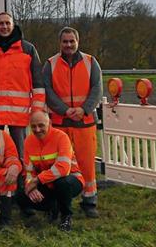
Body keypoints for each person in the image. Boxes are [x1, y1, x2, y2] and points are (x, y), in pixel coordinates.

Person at [43, 27, 102, 218]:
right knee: (58, 164)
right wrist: (64, 110)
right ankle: (57, 202)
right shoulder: (50, 64)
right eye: (65, 41)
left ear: (78, 42)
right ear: (59, 43)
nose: (68, 45)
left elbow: (97, 89)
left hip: (84, 123)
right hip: (60, 123)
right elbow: (47, 91)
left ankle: (89, 201)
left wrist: (84, 109)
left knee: (86, 163)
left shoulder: (91, 62)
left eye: (72, 41)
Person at [0, 12, 43, 158]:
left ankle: (20, 181)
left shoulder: (28, 49)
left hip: (18, 117)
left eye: (7, 23)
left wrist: (37, 111)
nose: (4, 26)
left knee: (20, 155)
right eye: (1, 23)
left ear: (13, 25)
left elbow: (38, 85)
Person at [17, 111, 85, 232]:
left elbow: (63, 169)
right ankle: (52, 207)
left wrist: (37, 180)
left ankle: (66, 216)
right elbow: (28, 172)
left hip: (71, 180)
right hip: (47, 184)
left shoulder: (61, 137)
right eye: (33, 126)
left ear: (50, 123)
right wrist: (30, 187)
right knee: (20, 195)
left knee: (62, 183)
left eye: (41, 125)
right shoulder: (28, 141)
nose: (37, 129)